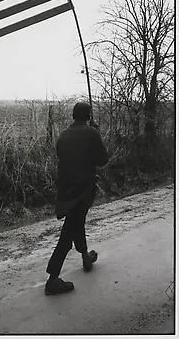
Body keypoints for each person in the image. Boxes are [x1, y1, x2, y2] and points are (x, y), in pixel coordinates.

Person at [45, 102, 108, 296]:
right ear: (88, 116)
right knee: (68, 233)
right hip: (82, 191)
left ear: (73, 115)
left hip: (66, 190)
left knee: (76, 223)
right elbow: (102, 160)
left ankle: (85, 257)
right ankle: (52, 279)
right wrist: (96, 135)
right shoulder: (92, 133)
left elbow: (63, 157)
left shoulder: (64, 135)